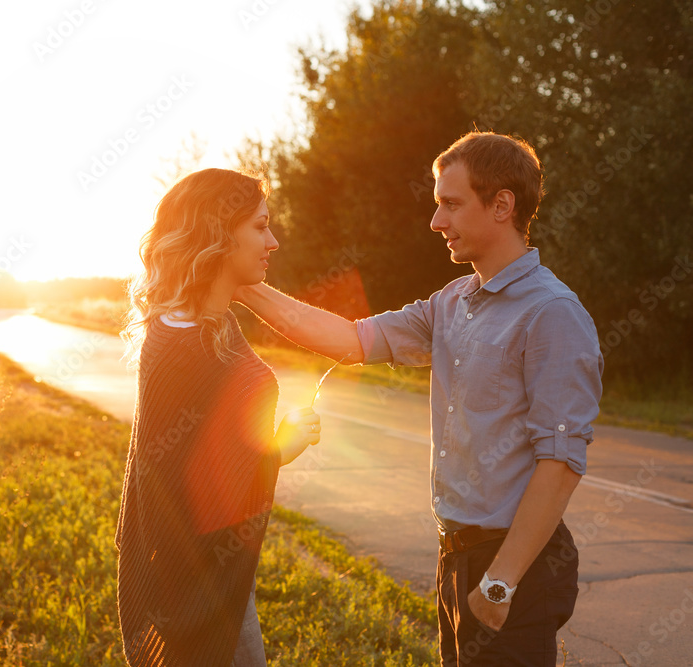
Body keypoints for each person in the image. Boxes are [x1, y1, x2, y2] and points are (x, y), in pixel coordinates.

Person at [233, 132, 604, 666]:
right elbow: (350, 338)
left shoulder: (552, 313)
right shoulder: (452, 303)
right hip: (456, 557)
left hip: (512, 562)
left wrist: (500, 582)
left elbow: (561, 462)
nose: (436, 222)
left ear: (502, 205)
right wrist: (240, 285)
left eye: (451, 204)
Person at [115, 168, 321, 666]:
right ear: (217, 233)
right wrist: (283, 448)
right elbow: (173, 488)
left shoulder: (213, 323)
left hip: (224, 582)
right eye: (260, 227)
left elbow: (215, 457)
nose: (272, 241)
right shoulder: (182, 345)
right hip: (197, 591)